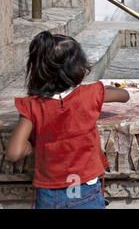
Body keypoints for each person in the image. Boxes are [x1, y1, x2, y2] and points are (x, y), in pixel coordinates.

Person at [5, 31, 130, 209]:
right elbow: (124, 95)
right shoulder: (91, 93)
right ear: (77, 68)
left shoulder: (31, 105)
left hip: (48, 195)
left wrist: (30, 146)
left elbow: (13, 152)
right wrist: (105, 88)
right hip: (84, 191)